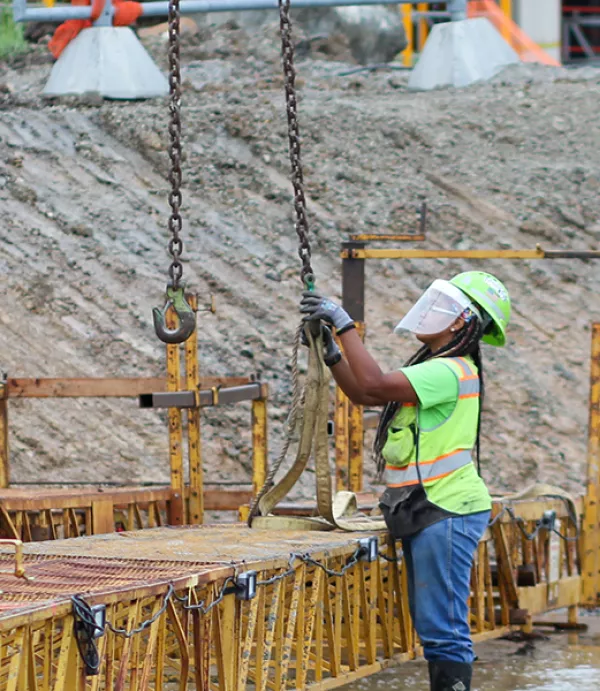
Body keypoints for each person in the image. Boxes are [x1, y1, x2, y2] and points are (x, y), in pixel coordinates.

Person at [300, 271, 511, 691]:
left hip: (446, 509)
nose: (431, 311)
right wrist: (333, 356)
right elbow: (365, 394)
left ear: (461, 323)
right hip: (424, 509)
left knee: (442, 627)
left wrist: (344, 327)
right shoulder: (438, 369)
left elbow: (375, 385)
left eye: (444, 307)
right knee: (433, 623)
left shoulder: (451, 371)